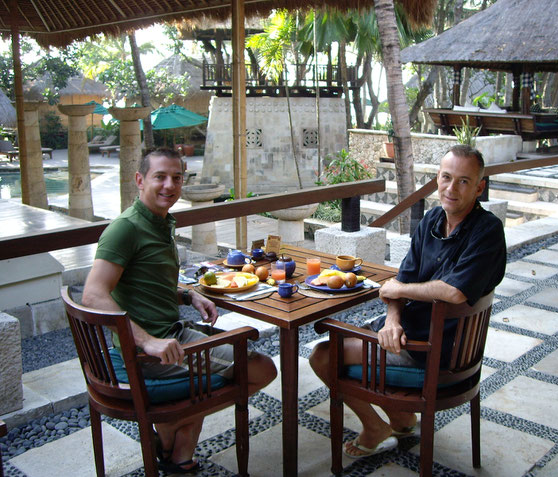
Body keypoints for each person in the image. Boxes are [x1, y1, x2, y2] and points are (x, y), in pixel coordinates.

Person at [82, 147, 277, 474]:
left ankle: (177, 444)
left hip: (172, 335)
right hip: (148, 353)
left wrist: (188, 296)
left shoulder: (160, 223)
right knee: (261, 369)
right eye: (160, 177)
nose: (169, 185)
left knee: (225, 359)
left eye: (176, 178)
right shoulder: (125, 228)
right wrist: (147, 342)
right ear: (140, 180)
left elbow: (145, 284)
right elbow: (92, 295)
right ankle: (174, 435)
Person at [309, 144, 506, 458]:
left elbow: (453, 292)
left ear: (479, 187)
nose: (451, 188)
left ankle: (376, 427)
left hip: (434, 354)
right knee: (342, 337)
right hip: (410, 332)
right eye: (446, 177)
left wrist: (399, 292)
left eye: (464, 181)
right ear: (437, 178)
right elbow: (403, 280)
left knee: (322, 356)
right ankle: (401, 418)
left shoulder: (487, 231)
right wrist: (392, 319)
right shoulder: (431, 220)